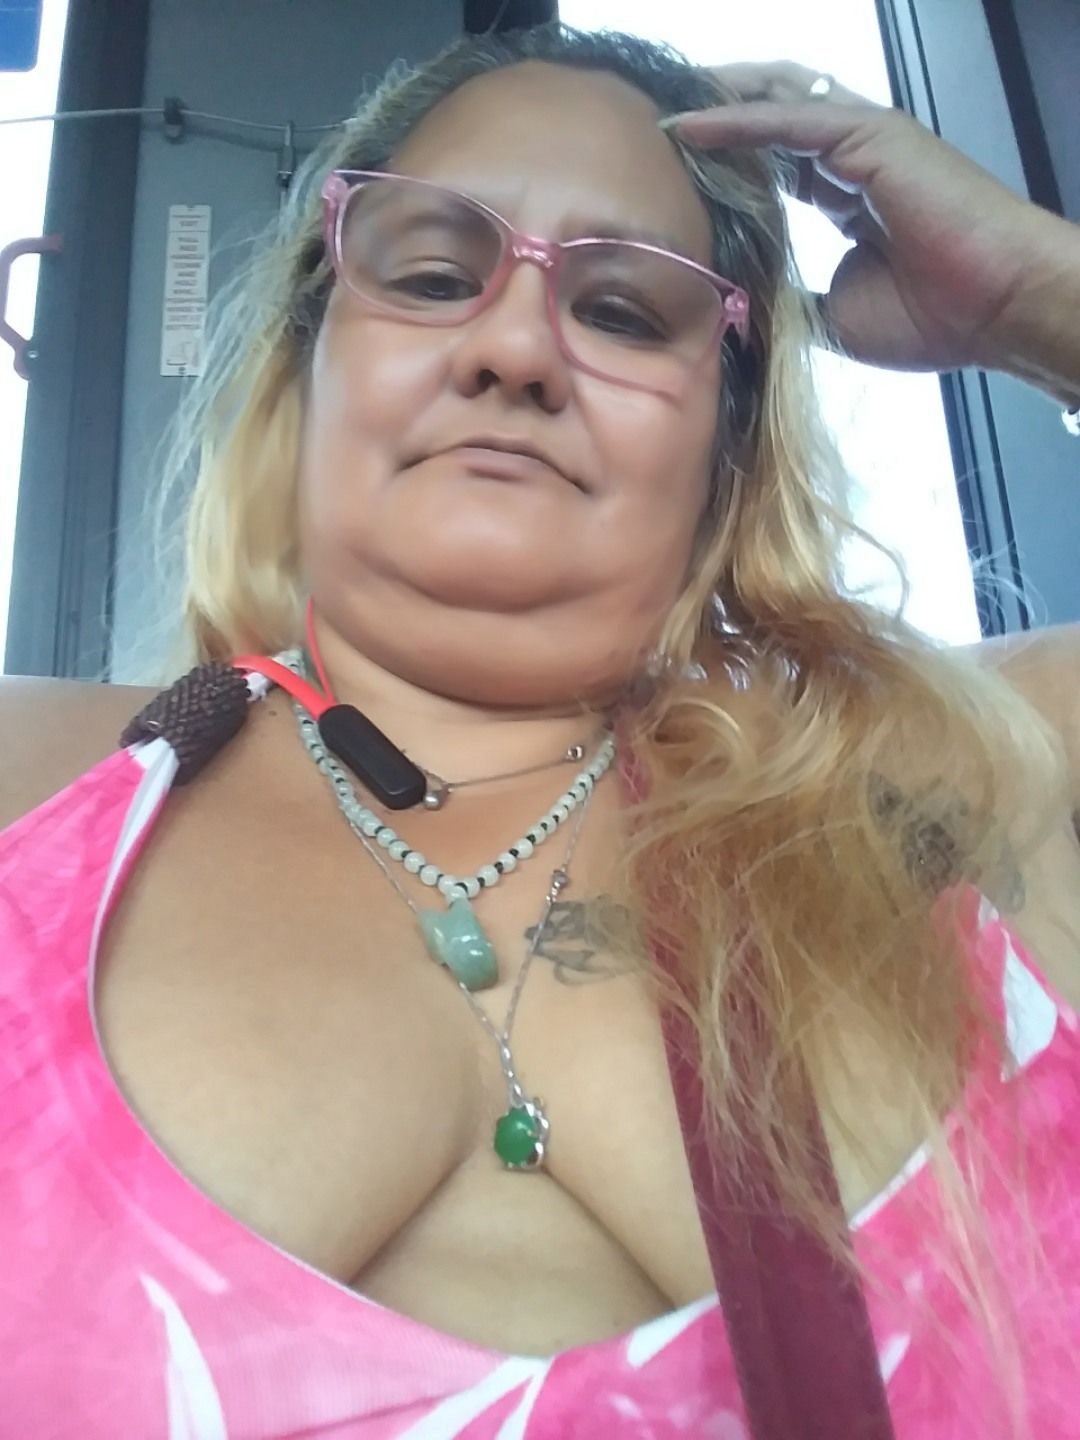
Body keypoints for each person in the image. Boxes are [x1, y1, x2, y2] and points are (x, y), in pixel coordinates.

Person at [1, 20, 1079, 1439]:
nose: (515, 347)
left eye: (623, 311)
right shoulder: (26, 782)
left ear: (726, 442)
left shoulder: (978, 779)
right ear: (305, 363)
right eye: (433, 276)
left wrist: (1038, 300)